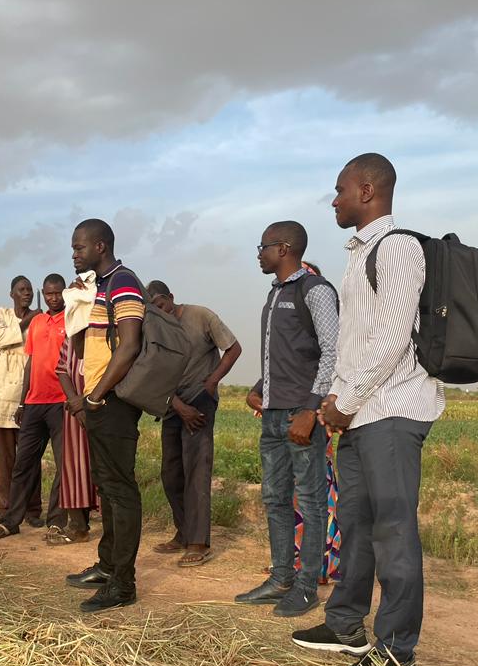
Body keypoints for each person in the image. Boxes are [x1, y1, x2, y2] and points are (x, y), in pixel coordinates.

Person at [294, 153, 445, 666]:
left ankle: (397, 651)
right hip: (360, 414)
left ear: (366, 190)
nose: (332, 200)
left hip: (393, 409)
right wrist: (334, 406)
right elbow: (356, 345)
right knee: (355, 523)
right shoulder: (359, 254)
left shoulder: (397, 247)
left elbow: (390, 339)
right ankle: (345, 627)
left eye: (338, 190)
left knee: (393, 529)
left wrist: (345, 401)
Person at [235, 222, 339, 617]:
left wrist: (311, 410)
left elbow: (331, 352)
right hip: (274, 414)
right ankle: (281, 578)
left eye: (263, 247)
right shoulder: (275, 293)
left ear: (284, 248)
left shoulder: (315, 290)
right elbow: (282, 355)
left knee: (311, 503)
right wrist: (261, 386)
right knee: (275, 498)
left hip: (301, 416)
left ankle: (307, 586)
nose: (259, 254)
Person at [64, 219, 146, 613]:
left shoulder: (123, 281)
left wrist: (95, 396)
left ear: (100, 246)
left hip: (113, 402)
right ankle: (107, 565)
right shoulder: (102, 285)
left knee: (120, 491)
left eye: (80, 247)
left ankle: (123, 584)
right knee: (107, 488)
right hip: (100, 400)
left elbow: (130, 345)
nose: (75, 254)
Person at [146, 280, 242, 567]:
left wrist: (212, 382)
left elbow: (234, 349)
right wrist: (178, 405)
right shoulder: (152, 329)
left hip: (200, 401)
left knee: (197, 470)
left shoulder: (201, 316)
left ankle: (199, 542)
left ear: (171, 297)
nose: (159, 310)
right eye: (153, 308)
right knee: (171, 472)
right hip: (171, 403)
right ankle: (184, 531)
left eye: (161, 304)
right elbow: (150, 370)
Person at [0, 274, 69, 540]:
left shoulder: (72, 319)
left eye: (58, 293)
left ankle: (55, 522)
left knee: (63, 464)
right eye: (49, 294)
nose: (53, 298)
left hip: (60, 402)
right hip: (33, 402)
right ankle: (11, 520)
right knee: (23, 464)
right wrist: (23, 401)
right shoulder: (36, 322)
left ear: (64, 293)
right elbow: (29, 363)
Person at [0, 276, 42, 526]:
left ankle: (33, 509)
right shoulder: (1, 314)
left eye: (29, 290)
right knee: (4, 456)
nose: (26, 293)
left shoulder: (40, 321)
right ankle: (4, 506)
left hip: (28, 393)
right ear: (12, 294)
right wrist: (31, 318)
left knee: (29, 455)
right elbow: (1, 339)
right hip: (2, 396)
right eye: (21, 290)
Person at [52, 331, 98, 545]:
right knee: (73, 468)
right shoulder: (70, 338)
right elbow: (62, 370)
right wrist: (77, 405)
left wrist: (88, 403)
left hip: (102, 409)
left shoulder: (105, 333)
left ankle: (114, 531)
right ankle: (78, 527)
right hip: (74, 413)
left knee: (104, 468)